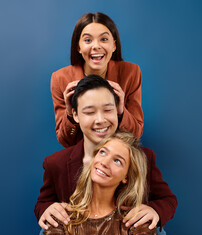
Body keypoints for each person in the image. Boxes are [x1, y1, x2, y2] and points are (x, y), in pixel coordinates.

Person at [35, 75, 177, 235]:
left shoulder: (144, 157)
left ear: (117, 110)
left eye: (108, 110)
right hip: (78, 232)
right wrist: (46, 209)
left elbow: (167, 199)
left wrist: (156, 211)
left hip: (128, 232)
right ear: (75, 115)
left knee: (156, 229)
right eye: (89, 112)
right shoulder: (56, 163)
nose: (100, 120)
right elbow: (43, 202)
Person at [51, 12, 144, 147]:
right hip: (83, 154)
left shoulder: (131, 73)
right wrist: (70, 113)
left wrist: (121, 111)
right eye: (88, 40)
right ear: (78, 47)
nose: (96, 46)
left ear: (114, 45)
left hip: (118, 150)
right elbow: (65, 141)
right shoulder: (60, 79)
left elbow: (136, 134)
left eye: (104, 39)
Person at [44, 132, 156, 235]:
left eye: (117, 161)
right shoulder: (61, 218)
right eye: (103, 152)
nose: (104, 162)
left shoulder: (136, 222)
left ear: (126, 177)